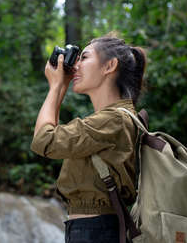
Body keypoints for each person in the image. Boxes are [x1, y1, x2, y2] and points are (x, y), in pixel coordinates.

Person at [31, 34, 147, 243]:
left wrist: (56, 87)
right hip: (92, 230)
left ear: (109, 66)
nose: (76, 65)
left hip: (95, 231)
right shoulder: (112, 118)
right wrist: (61, 87)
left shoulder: (114, 119)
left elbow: (44, 141)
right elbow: (50, 137)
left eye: (84, 58)